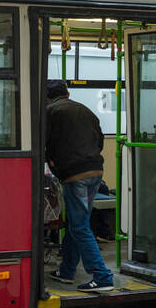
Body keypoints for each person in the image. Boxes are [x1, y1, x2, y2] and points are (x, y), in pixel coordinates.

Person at [44, 79, 114, 292]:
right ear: (66, 93)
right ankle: (66, 271)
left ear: (47, 96)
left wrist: (55, 164)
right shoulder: (85, 110)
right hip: (95, 172)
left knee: (80, 226)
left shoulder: (50, 112)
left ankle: (102, 276)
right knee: (77, 222)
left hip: (75, 175)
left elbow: (44, 144)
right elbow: (99, 141)